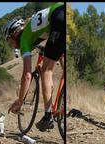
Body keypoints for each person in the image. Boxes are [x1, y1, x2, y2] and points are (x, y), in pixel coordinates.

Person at [4, 2, 65, 132]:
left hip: (58, 18)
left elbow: (27, 76)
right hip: (62, 13)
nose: (13, 46)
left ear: (15, 34)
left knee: (46, 72)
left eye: (10, 41)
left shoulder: (25, 39)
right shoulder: (33, 28)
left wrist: (20, 101)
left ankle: (48, 115)